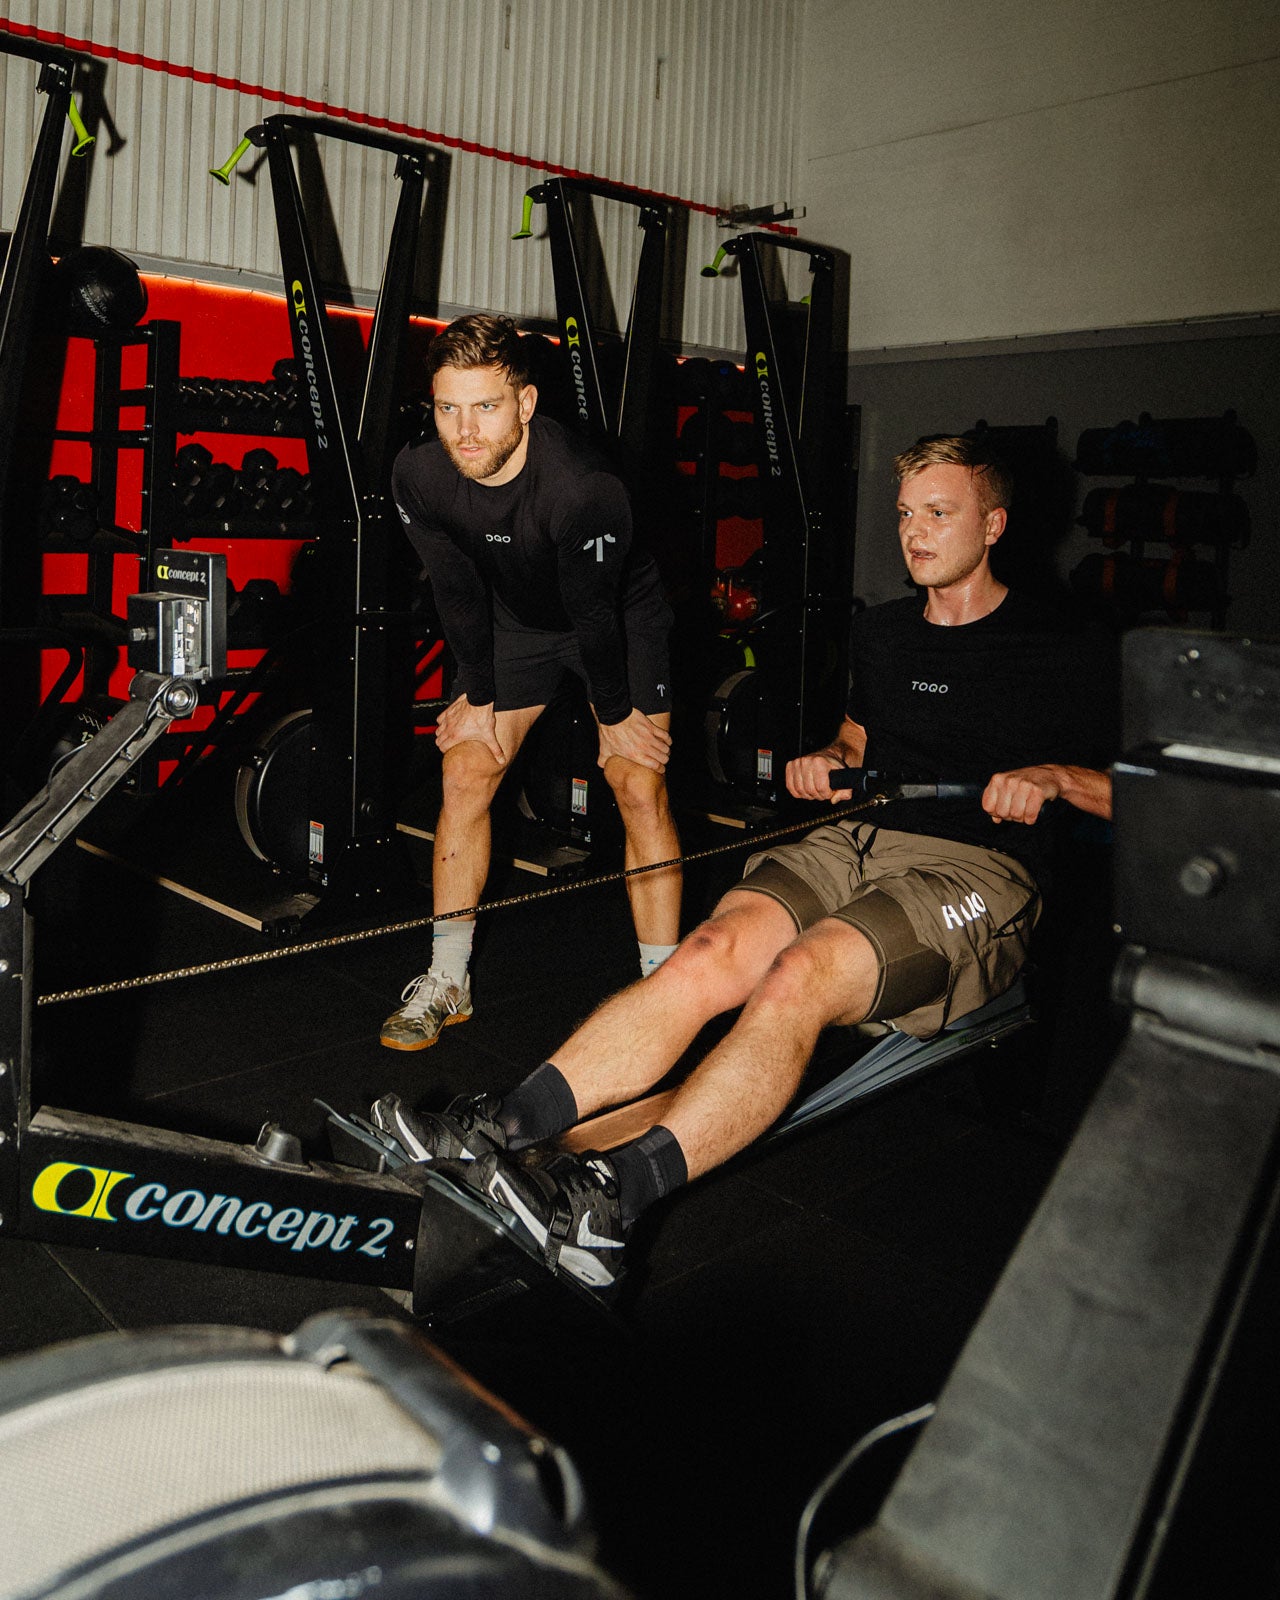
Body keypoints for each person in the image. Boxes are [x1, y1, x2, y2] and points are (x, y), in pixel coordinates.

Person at [367, 434, 1116, 1295]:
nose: (914, 532)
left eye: (938, 514)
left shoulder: (1060, 643)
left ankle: (612, 1194)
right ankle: (503, 1125)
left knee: (798, 975)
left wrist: (1054, 777)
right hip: (858, 839)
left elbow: (1139, 789)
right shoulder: (883, 633)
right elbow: (860, 740)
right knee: (709, 954)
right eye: (907, 513)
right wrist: (826, 757)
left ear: (994, 525)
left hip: (976, 870)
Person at [383, 313, 681, 1050]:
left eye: (485, 406)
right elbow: (454, 589)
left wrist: (615, 716)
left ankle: (664, 987)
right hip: (517, 623)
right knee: (465, 772)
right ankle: (448, 978)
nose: (465, 430)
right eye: (448, 408)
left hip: (618, 621)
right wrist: (478, 698)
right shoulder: (419, 473)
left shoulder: (584, 485)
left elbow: (592, 611)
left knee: (637, 782)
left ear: (525, 403)